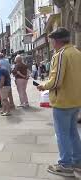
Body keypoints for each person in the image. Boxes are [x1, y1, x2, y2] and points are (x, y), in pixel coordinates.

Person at [37, 27, 81, 177]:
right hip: (76, 100)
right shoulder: (77, 52)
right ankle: (77, 162)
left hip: (63, 101)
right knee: (73, 132)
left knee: (62, 134)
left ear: (57, 41)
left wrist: (43, 86)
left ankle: (65, 165)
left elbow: (56, 81)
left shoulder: (61, 54)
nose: (52, 44)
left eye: (52, 41)